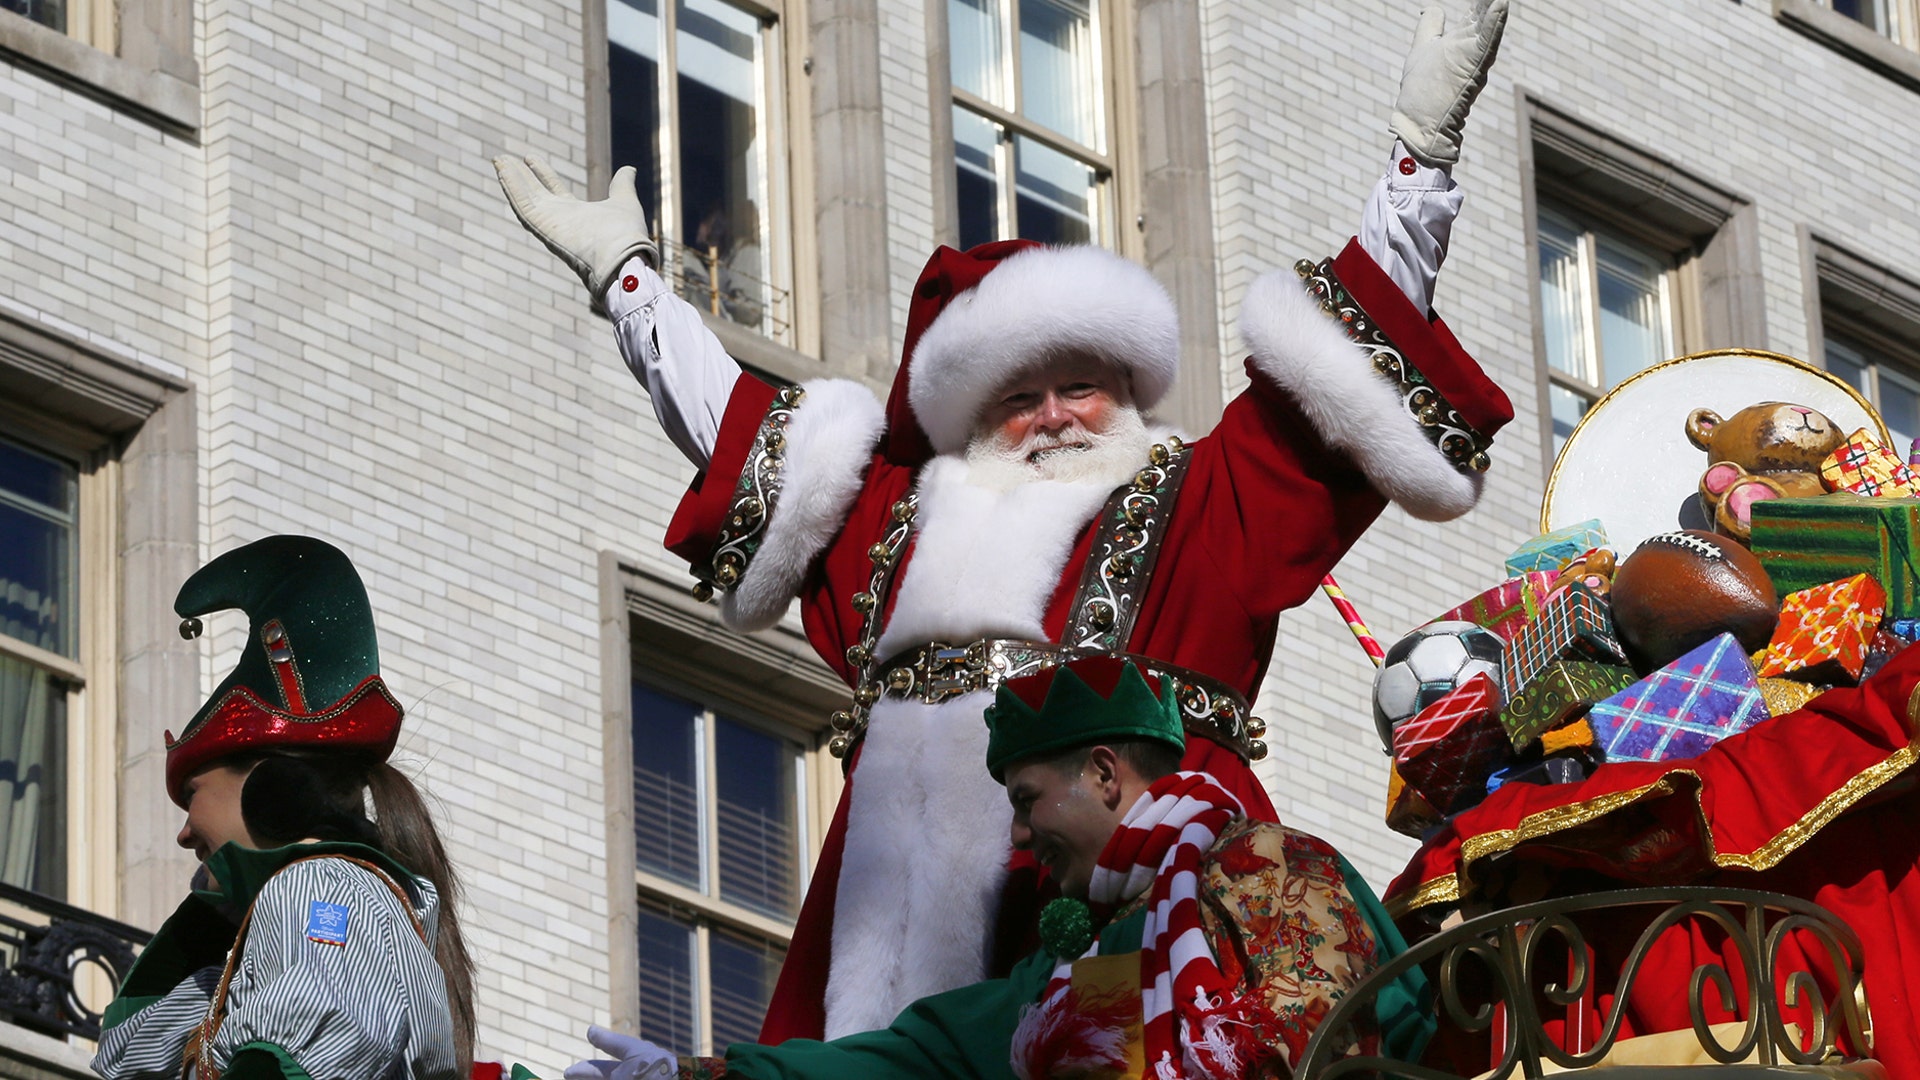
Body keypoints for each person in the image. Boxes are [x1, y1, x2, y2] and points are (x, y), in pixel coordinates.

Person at [494, 0, 1514, 1040]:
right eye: (1017, 399)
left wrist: (1419, 161)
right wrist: (632, 284)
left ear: (1129, 385)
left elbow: (1331, 371)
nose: (1055, 417)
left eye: (1081, 383)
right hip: (877, 966)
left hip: (1136, 929)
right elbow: (742, 429)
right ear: (968, 421)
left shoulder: (1198, 503)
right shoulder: (898, 530)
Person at [565, 656, 1427, 1079]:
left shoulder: (1261, 863)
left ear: (1101, 773)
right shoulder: (1076, 973)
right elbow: (912, 1059)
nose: (1019, 839)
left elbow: (1347, 1030)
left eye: (1025, 799)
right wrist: (699, 1073)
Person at [92, 536, 475, 1080]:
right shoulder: (271, 921)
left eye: (192, 794)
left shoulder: (322, 887)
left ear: (269, 786)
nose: (183, 834)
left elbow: (329, 1029)